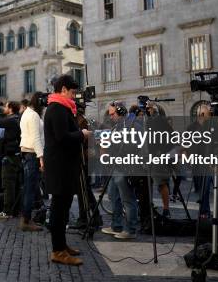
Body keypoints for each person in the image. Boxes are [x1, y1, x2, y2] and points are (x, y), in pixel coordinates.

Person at [44, 74, 90, 266]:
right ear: (63, 89)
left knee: (63, 210)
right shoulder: (57, 109)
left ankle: (62, 246)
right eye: (72, 92)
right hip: (59, 167)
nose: (74, 96)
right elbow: (62, 137)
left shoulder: (62, 108)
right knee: (59, 209)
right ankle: (57, 250)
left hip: (64, 166)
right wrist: (82, 134)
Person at [101, 101, 139, 239]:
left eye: (113, 114)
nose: (111, 117)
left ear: (121, 111)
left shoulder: (133, 124)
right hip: (115, 166)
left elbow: (136, 145)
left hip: (125, 167)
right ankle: (116, 225)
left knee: (128, 199)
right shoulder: (118, 125)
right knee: (113, 195)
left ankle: (131, 229)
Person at [0, 101, 22, 219]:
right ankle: (15, 210)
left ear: (11, 108)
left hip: (10, 157)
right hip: (16, 155)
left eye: (6, 106)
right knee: (15, 185)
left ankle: (7, 211)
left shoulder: (11, 120)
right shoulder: (16, 118)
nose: (4, 108)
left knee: (8, 184)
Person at [19, 92, 45, 231]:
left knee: (30, 188)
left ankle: (26, 219)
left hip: (28, 153)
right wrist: (41, 158)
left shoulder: (27, 113)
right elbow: (36, 138)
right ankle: (26, 220)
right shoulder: (33, 115)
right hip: (32, 154)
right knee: (30, 189)